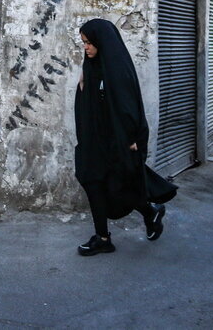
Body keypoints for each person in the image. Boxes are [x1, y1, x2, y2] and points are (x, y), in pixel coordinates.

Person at [73, 19, 178, 256]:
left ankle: (149, 212)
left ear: (102, 42)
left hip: (119, 140)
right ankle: (104, 237)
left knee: (120, 185)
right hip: (94, 140)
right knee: (92, 181)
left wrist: (133, 138)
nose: (86, 48)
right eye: (83, 43)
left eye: (89, 43)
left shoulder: (118, 68)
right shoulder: (91, 67)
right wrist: (83, 87)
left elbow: (129, 107)